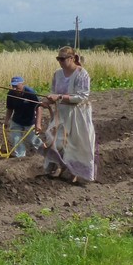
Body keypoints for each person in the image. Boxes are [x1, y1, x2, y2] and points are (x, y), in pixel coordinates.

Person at [37, 46, 96, 184]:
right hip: (61, 113)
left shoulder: (82, 74)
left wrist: (60, 97)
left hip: (77, 114)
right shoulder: (57, 74)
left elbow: (81, 96)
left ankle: (75, 172)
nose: (60, 62)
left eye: (62, 59)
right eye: (58, 59)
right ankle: (60, 165)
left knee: (76, 144)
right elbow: (53, 91)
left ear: (71, 58)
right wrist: (48, 100)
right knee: (54, 141)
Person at [3, 76, 41, 157]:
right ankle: (20, 157)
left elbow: (39, 108)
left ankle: (44, 154)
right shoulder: (10, 94)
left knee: (33, 140)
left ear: (22, 84)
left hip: (30, 121)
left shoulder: (30, 93)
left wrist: (38, 124)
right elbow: (10, 108)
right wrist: (6, 120)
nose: (15, 89)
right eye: (13, 86)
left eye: (17, 86)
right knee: (16, 139)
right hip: (17, 120)